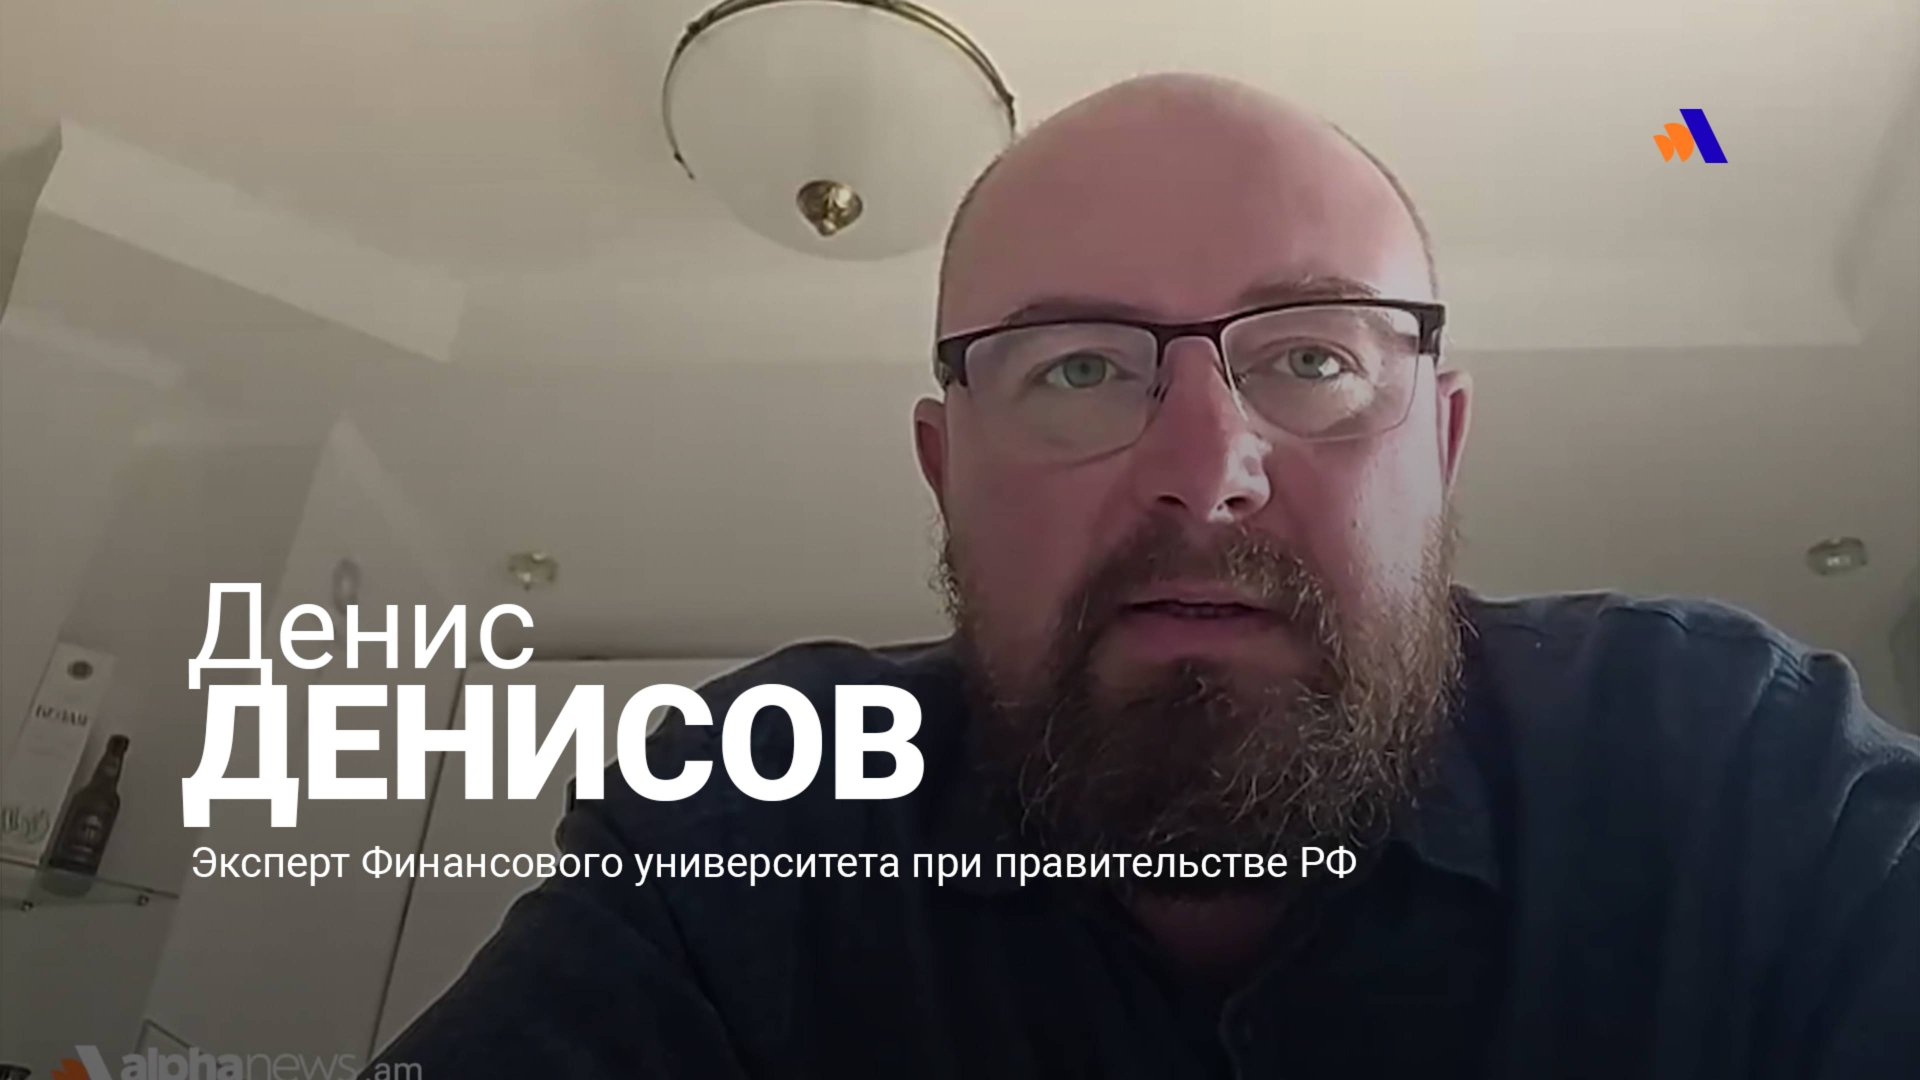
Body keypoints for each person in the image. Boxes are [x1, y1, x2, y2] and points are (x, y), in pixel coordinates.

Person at [370, 74, 1920, 1078]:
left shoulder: (1734, 771)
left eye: (1313, 357)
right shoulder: (756, 819)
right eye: (1077, 367)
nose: (1204, 465)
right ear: (945, 473)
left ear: (1441, 445)